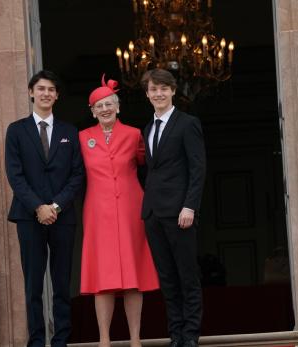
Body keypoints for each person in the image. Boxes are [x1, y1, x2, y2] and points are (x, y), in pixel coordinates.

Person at [5, 70, 85, 347]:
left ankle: (61, 339)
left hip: (63, 217)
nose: (46, 93)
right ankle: (37, 340)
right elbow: (14, 175)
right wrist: (38, 206)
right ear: (31, 92)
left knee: (62, 283)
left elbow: (77, 174)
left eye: (51, 89)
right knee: (33, 285)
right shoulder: (16, 131)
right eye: (41, 89)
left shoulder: (69, 132)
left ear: (57, 96)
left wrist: (56, 205)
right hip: (28, 216)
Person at [79, 75, 159, 347]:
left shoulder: (135, 134)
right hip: (97, 211)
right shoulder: (82, 138)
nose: (104, 109)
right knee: (103, 275)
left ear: (118, 106)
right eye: (98, 106)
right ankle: (104, 339)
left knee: (132, 275)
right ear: (92, 111)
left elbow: (150, 167)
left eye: (109, 104)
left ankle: (135, 338)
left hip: (130, 208)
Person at [140, 69, 207, 347]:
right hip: (153, 213)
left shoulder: (187, 123)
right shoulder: (148, 128)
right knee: (167, 278)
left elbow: (198, 167)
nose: (159, 94)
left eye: (164, 88)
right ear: (147, 94)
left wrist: (189, 206)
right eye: (154, 89)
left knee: (187, 275)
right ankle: (175, 334)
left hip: (180, 212)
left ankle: (190, 335)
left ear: (173, 91)